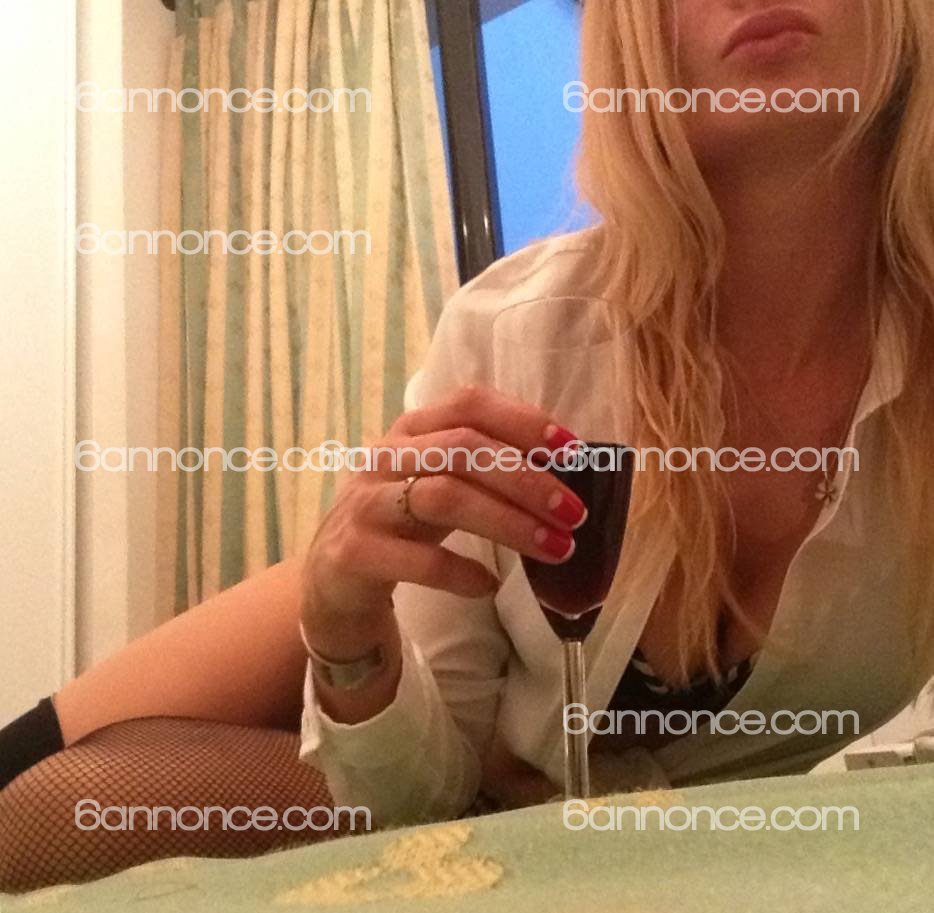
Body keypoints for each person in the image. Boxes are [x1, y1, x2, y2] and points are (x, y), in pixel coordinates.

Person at [3, 0, 933, 887]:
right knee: (25, 786)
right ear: (633, 46)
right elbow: (419, 776)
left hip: (478, 736)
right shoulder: (517, 333)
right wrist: (346, 633)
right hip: (416, 662)